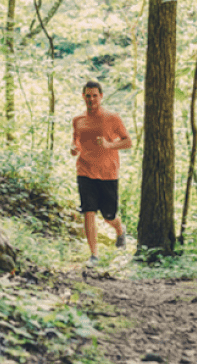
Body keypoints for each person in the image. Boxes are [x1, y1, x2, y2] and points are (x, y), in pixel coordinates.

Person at [70, 80, 132, 266]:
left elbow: (127, 142)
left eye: (95, 96)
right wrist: (74, 148)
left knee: (108, 216)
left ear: (101, 96)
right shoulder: (78, 120)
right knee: (88, 211)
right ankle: (94, 255)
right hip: (85, 170)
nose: (91, 99)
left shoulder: (112, 118)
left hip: (108, 173)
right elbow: (76, 140)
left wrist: (108, 145)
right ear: (83, 96)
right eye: (88, 96)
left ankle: (120, 230)